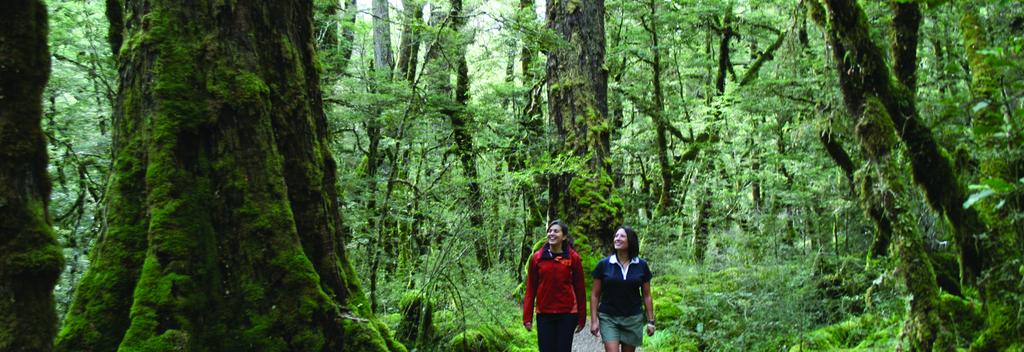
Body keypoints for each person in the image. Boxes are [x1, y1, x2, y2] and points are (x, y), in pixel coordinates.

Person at [523, 220, 587, 352]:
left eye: (556, 231)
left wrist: (582, 318)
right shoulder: (537, 258)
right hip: (544, 313)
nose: (551, 234)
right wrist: (527, 316)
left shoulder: (573, 258)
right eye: (550, 231)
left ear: (564, 236)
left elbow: (580, 289)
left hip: (567, 313)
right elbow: (531, 288)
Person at [589, 225, 655, 352]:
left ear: (630, 240)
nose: (617, 239)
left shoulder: (641, 265)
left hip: (633, 318)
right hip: (609, 317)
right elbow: (595, 295)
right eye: (616, 236)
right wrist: (594, 321)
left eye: (622, 236)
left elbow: (647, 295)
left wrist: (651, 321)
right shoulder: (604, 264)